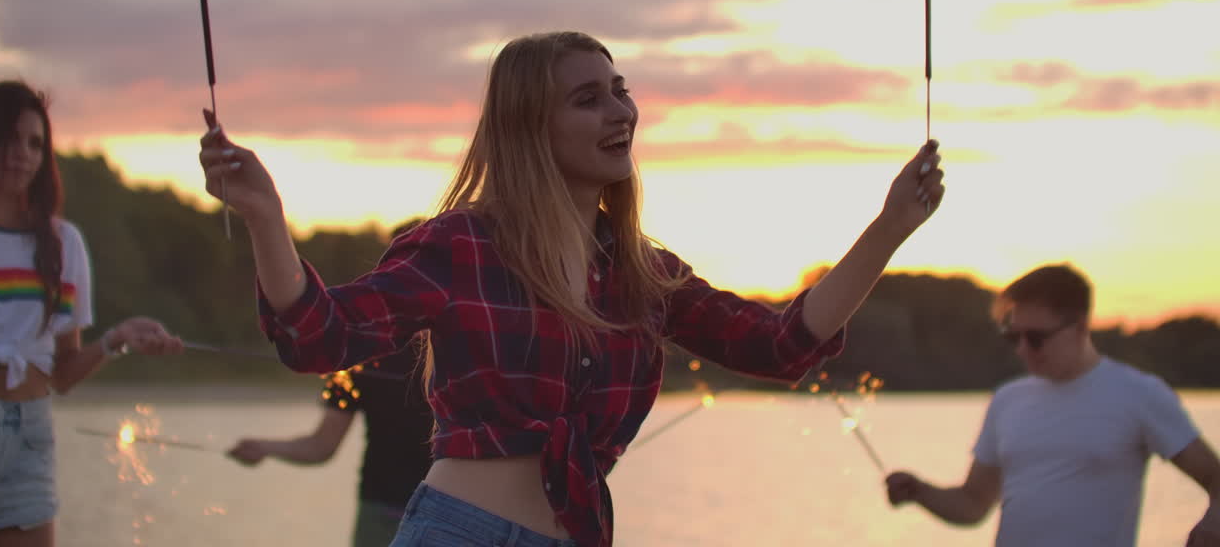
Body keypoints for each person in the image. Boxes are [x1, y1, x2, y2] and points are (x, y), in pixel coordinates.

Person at [198, 31, 946, 547]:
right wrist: (265, 216)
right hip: (461, 532)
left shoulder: (644, 274)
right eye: (589, 99)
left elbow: (780, 346)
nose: (621, 112)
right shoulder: (461, 245)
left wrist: (891, 228)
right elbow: (319, 337)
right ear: (531, 126)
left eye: (620, 92)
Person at [0, 80, 184, 547]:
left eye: (35, 143)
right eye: (10, 139)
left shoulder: (62, 243)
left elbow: (63, 375)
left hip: (28, 445)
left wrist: (118, 338)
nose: (23, 154)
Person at [884, 263, 1220, 547]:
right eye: (1013, 337)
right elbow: (973, 503)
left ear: (1081, 327)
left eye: (1036, 338)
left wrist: (1212, 522)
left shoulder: (1140, 393)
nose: (1022, 349)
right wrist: (919, 491)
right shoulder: (1007, 399)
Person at [226, 225, 434, 547]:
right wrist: (266, 447)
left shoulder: (356, 351)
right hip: (398, 516)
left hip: (425, 517)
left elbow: (321, 446)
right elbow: (321, 445)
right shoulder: (356, 357)